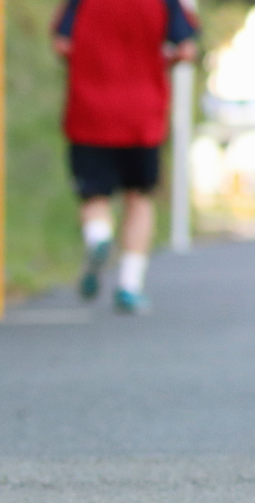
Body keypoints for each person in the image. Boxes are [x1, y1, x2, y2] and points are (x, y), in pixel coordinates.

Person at [53, 0, 199, 313]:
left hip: (89, 112)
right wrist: (161, 61)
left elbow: (62, 42)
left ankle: (98, 238)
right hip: (142, 114)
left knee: (94, 196)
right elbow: (185, 48)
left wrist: (90, 62)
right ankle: (130, 285)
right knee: (140, 197)